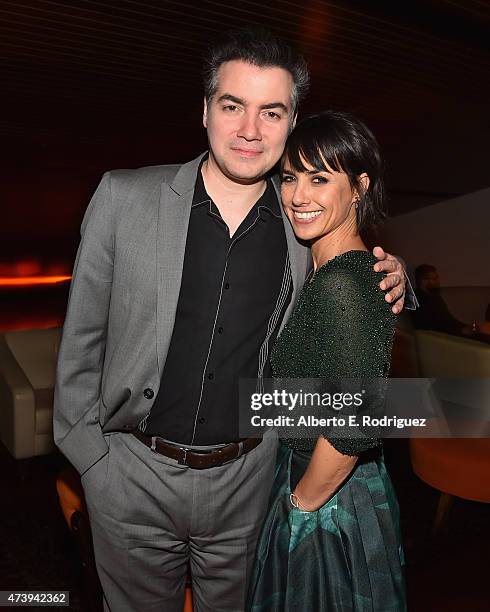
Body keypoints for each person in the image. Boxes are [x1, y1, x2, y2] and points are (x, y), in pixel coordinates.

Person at [53, 30, 410, 612]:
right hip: (130, 476)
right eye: (232, 106)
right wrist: (93, 463)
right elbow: (80, 342)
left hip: (250, 484)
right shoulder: (123, 198)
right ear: (205, 111)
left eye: (271, 112)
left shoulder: (305, 224)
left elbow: (351, 284)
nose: (250, 129)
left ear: (292, 122)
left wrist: (394, 276)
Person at [248, 111, 406, 611]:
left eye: (319, 178)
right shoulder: (327, 268)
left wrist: (298, 506)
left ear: (358, 186)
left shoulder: (345, 284)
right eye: (291, 177)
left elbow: (352, 427)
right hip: (321, 479)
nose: (298, 195)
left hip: (330, 495)